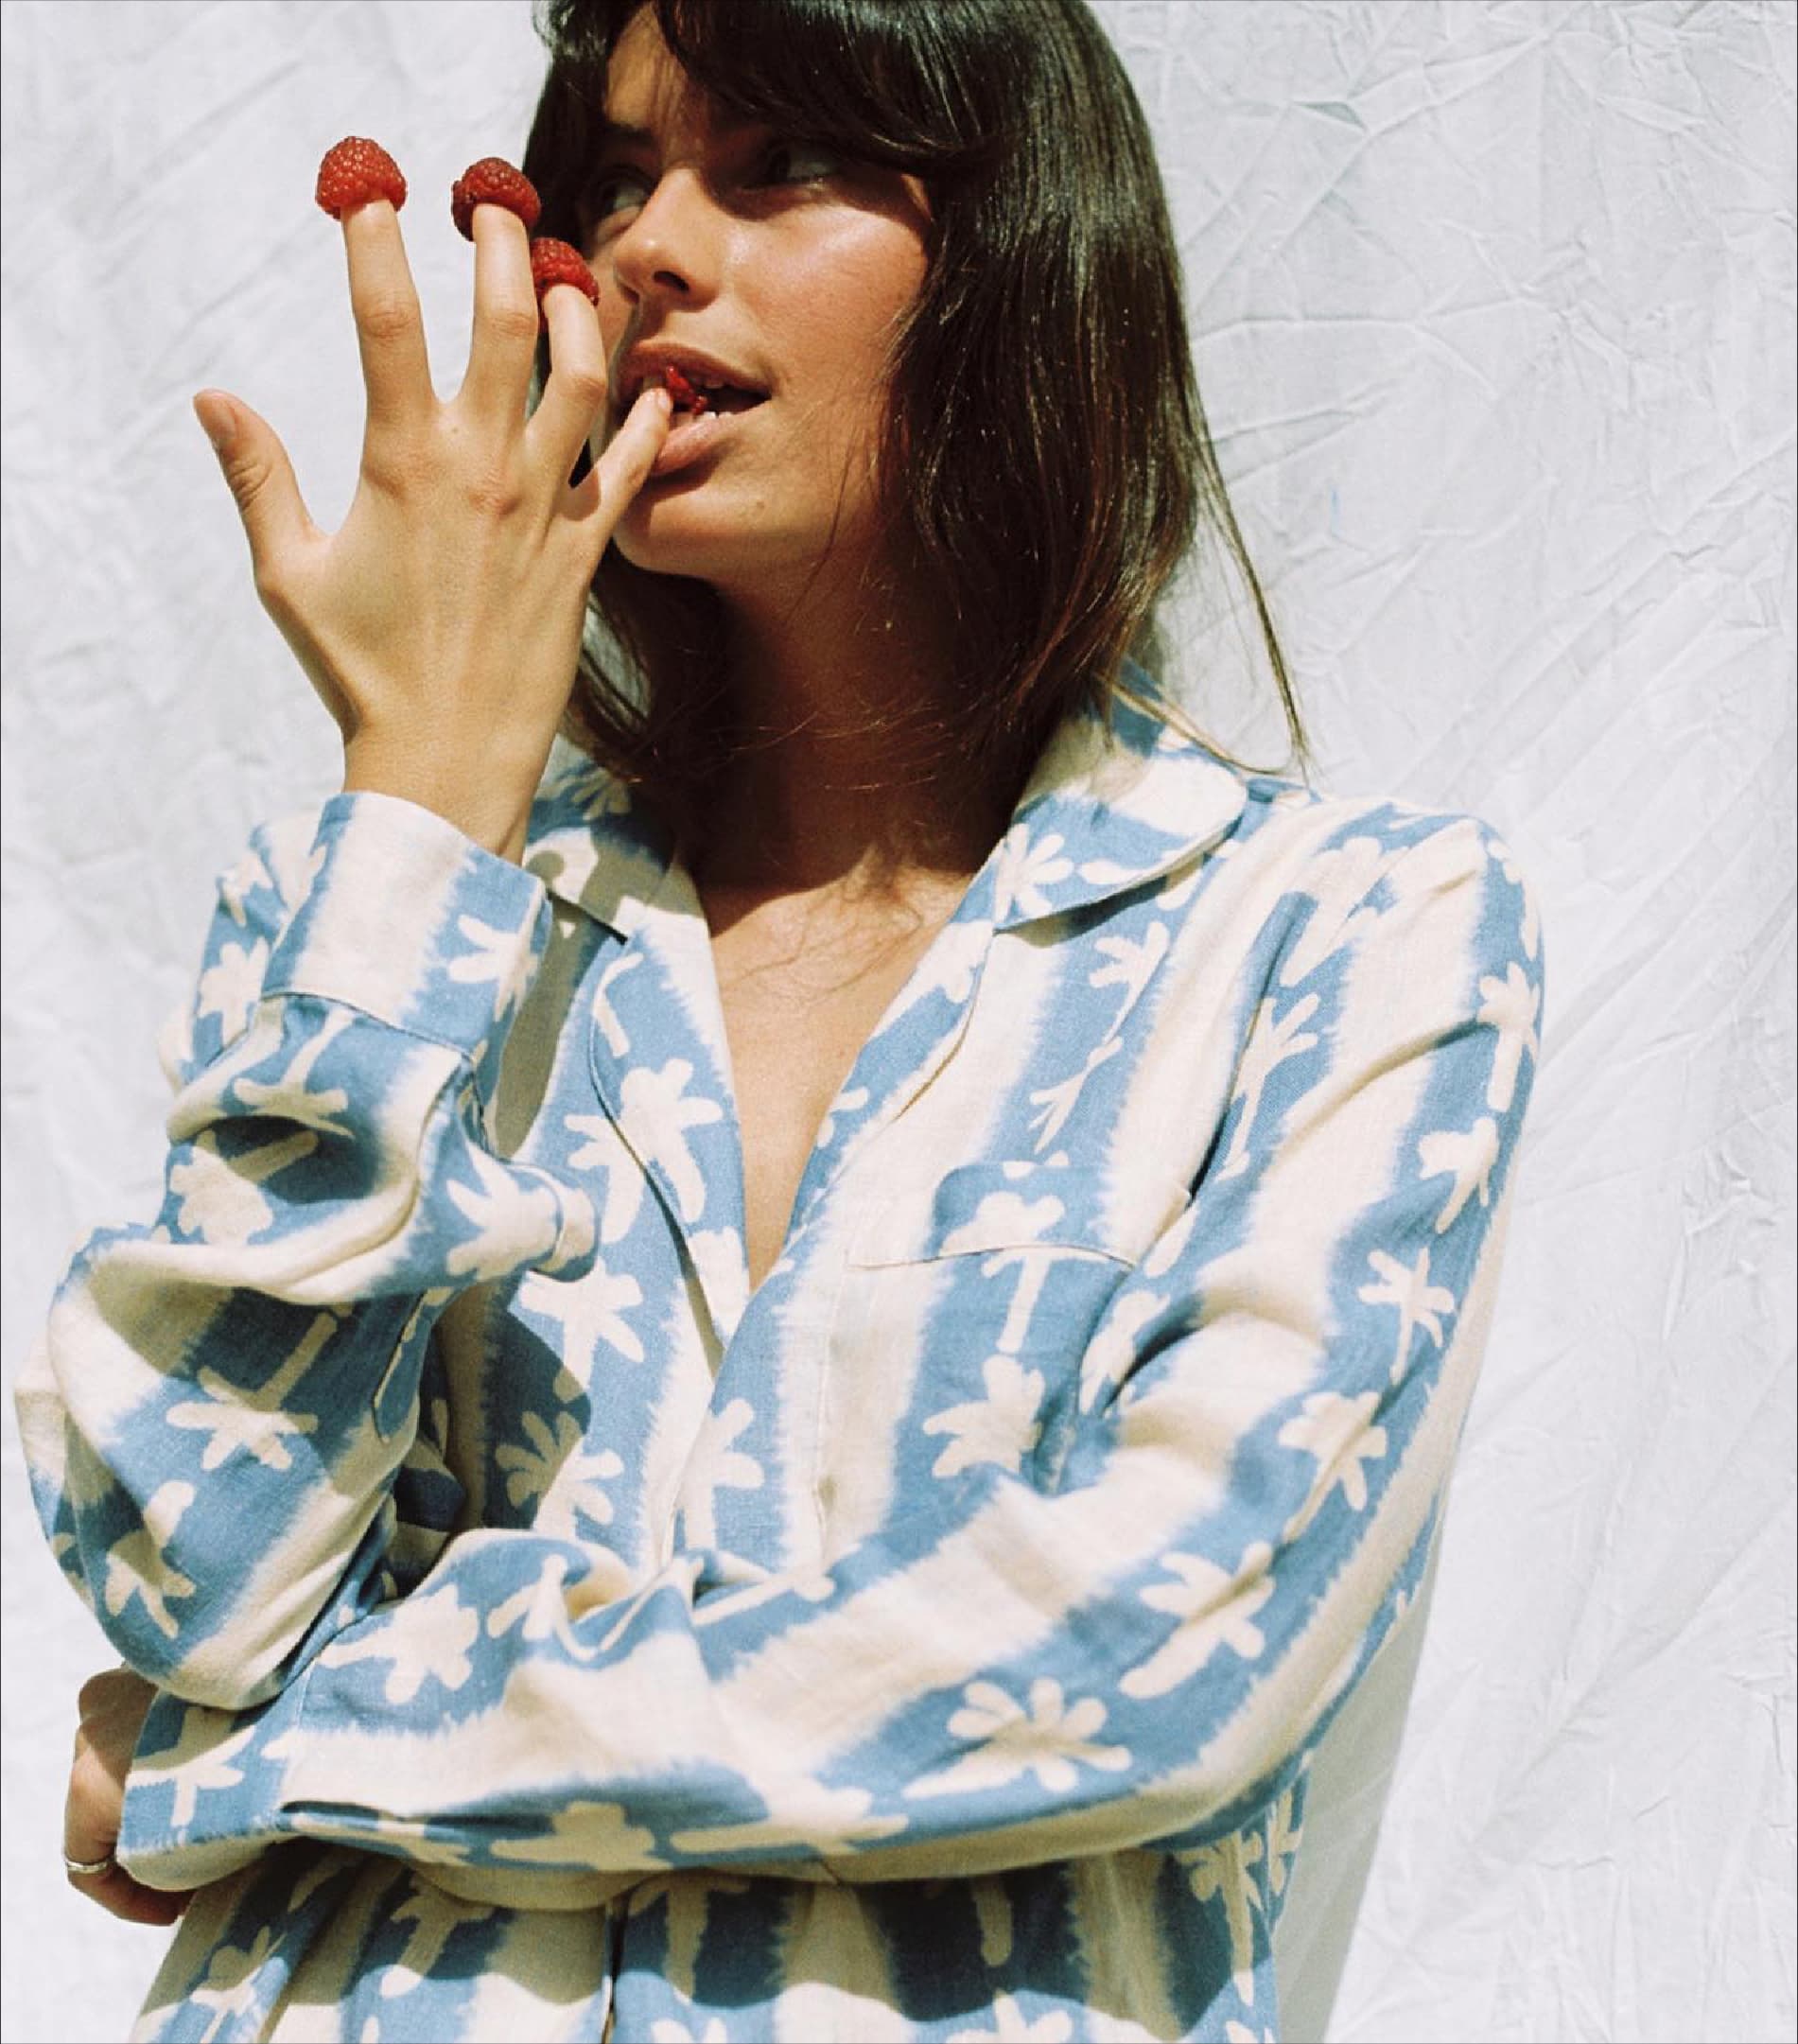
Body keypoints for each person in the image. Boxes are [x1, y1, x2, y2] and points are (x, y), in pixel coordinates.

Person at [16, 0, 1545, 2036]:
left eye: (777, 165)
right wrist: (421, 814)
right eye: (615, 180)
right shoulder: (379, 919)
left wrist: (280, 1753)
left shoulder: (1341, 936)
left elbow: (1154, 1654)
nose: (649, 245)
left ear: (1017, 247)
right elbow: (189, 1582)